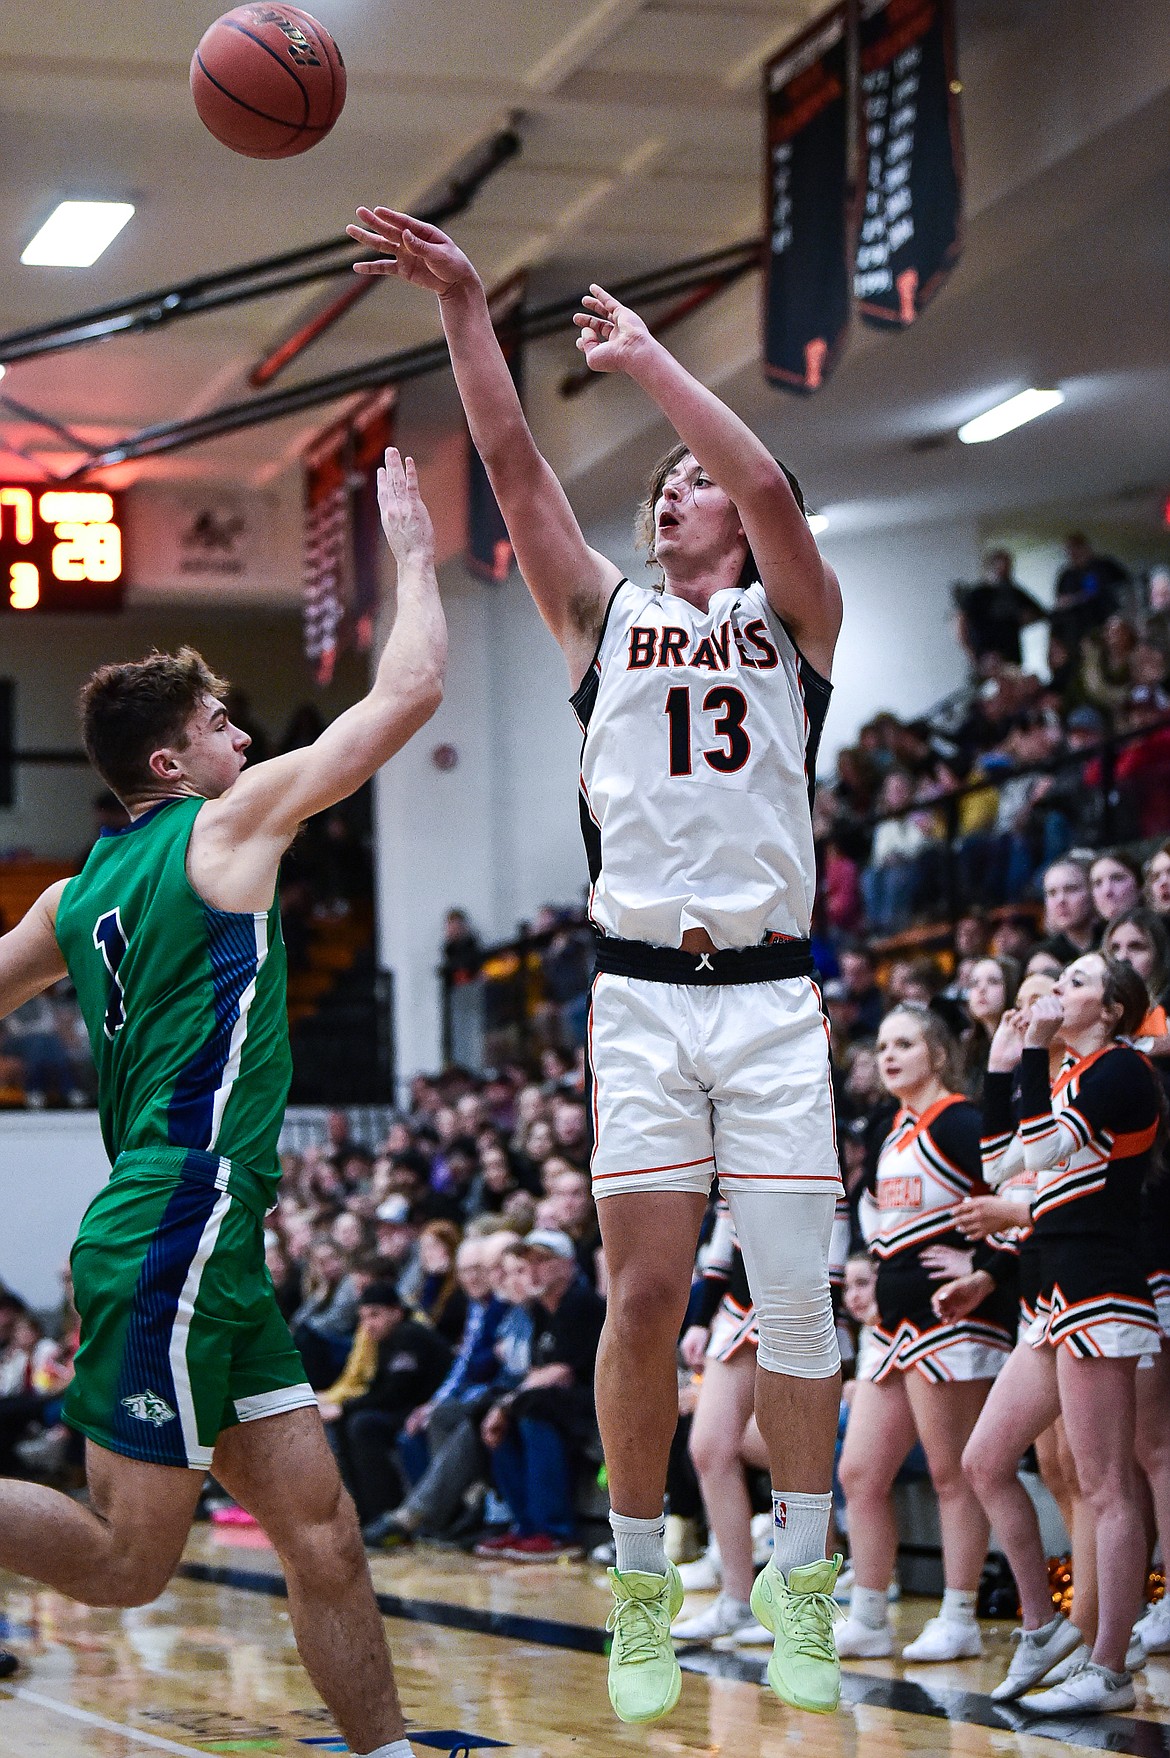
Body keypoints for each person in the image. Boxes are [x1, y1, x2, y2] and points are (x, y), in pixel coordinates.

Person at [348, 205, 845, 1722]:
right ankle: (642, 1583)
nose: (681, 493)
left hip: (768, 999)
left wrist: (647, 364)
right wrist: (461, 303)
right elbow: (507, 459)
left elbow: (761, 475)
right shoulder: (599, 615)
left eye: (696, 487)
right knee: (637, 1302)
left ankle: (804, 1580)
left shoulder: (796, 619)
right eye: (668, 486)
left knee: (796, 1300)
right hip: (638, 995)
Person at [0, 446, 446, 1758]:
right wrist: (413, 552)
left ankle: (388, 1749)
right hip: (176, 1217)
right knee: (134, 1562)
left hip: (205, 1239)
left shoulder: (68, 898)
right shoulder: (227, 823)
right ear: (171, 757)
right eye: (221, 727)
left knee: (321, 1526)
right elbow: (411, 687)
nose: (247, 739)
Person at [962, 955, 1159, 1715]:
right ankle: (1043, 1625)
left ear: (1111, 1009)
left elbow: (1042, 1155)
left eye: (1076, 981)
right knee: (985, 1460)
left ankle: (1111, 1667)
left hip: (1100, 1285)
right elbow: (996, 1166)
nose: (1058, 990)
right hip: (1050, 1294)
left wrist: (1037, 1056)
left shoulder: (1121, 1072)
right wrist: (1000, 1064)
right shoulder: (1071, 1074)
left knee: (1106, 1484)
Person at [835, 1006, 1014, 1662]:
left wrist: (986, 1267)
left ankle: (960, 1614)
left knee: (950, 1474)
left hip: (950, 1323)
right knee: (858, 1471)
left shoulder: (963, 1121)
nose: (888, 1055)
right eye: (882, 1044)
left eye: (904, 1043)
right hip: (890, 1327)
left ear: (937, 1054)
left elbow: (1023, 1199)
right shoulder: (890, 1130)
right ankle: (870, 1615)